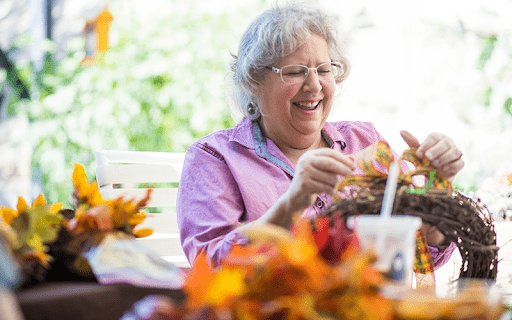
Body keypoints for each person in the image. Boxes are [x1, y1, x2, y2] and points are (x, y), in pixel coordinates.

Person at [176, 3, 463, 268]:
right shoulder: (215, 158)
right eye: (295, 71)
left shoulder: (366, 142)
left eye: (323, 70)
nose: (314, 85)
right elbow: (210, 263)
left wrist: (436, 195)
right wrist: (292, 204)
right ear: (254, 82)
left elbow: (419, 254)